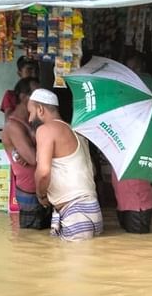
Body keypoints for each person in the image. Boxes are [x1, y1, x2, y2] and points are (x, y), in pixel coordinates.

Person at [29, 88, 103, 241]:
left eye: (30, 112)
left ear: (40, 109)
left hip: (75, 212)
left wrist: (41, 194)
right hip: (91, 209)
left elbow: (43, 172)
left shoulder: (45, 130)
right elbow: (93, 170)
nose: (29, 119)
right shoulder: (77, 131)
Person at [1, 78, 51, 229]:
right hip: (30, 194)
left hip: (42, 190)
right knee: (34, 243)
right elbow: (32, 158)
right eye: (36, 94)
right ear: (23, 97)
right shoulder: (13, 126)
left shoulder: (31, 122)